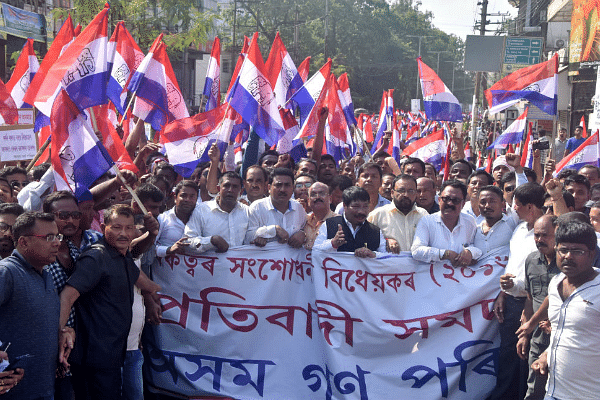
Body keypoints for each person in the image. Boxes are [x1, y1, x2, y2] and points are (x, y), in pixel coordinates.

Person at [58, 204, 161, 400]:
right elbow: (67, 296)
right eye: (116, 227)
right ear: (103, 227)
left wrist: (152, 296)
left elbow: (149, 285)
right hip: (93, 359)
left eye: (129, 228)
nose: (123, 233)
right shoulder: (96, 257)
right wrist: (58, 337)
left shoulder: (123, 256)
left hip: (114, 355)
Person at [531, 222, 600, 400]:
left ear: (592, 254)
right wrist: (548, 354)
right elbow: (568, 332)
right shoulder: (555, 283)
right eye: (563, 250)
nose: (568, 256)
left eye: (578, 251)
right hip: (554, 392)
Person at [0, 212, 64, 400]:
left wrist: (64, 332)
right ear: (23, 242)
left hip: (42, 389)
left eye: (57, 236)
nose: (57, 243)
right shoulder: (7, 273)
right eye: (48, 237)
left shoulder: (46, 274)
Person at [492, 182, 545, 400]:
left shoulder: (547, 233)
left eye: (518, 205)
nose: (514, 208)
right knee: (508, 357)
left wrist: (526, 305)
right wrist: (503, 293)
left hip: (533, 307)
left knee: (528, 360)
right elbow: (513, 264)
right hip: (511, 303)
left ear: (530, 207)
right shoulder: (519, 229)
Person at [515, 215, 558, 400]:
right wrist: (525, 334)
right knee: (534, 390)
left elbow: (554, 297)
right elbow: (530, 298)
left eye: (545, 235)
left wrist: (530, 325)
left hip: (561, 337)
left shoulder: (568, 263)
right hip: (538, 339)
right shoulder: (531, 260)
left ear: (558, 234)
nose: (539, 240)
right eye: (536, 235)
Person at [411, 180, 482, 266]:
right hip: (433, 277)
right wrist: (445, 254)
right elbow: (416, 251)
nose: (450, 203)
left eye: (455, 200)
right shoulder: (426, 221)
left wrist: (470, 252)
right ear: (439, 200)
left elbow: (475, 245)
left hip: (462, 278)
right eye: (446, 199)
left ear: (463, 204)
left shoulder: (469, 221)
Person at [185, 172, 249, 253]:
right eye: (226, 186)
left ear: (241, 191)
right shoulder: (201, 210)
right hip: (209, 265)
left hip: (241, 264)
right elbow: (187, 241)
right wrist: (211, 241)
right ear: (219, 188)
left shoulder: (247, 212)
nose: (230, 190)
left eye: (235, 187)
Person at [314, 186, 386, 257]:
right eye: (356, 206)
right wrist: (332, 243)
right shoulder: (329, 224)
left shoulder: (375, 231)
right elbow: (315, 250)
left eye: (365, 206)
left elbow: (385, 258)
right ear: (345, 206)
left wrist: (373, 254)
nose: (361, 211)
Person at [246, 168, 307, 248]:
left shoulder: (299, 208)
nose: (282, 190)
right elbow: (247, 238)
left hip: (292, 260)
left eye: (287, 185)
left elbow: (306, 230)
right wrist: (273, 230)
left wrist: (303, 234)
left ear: (293, 188)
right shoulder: (257, 207)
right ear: (269, 188)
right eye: (278, 185)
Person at [368, 174, 427, 253]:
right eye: (401, 190)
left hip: (418, 265)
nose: (406, 195)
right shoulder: (377, 215)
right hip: (388, 264)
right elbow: (366, 242)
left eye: (411, 191)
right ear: (392, 193)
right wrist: (385, 241)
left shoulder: (423, 215)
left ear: (416, 193)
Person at [155, 180, 199, 258]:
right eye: (183, 195)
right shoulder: (162, 219)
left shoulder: (202, 220)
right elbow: (151, 249)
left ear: (196, 199)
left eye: (192, 196)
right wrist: (169, 249)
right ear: (175, 198)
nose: (187, 200)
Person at [474, 185, 518, 258]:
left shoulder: (512, 224)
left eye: (492, 202)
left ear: (503, 204)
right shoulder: (474, 228)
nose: (487, 206)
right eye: (483, 202)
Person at [304, 182, 337, 250]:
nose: (318, 197)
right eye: (313, 194)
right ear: (308, 201)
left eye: (322, 193)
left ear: (330, 199)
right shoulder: (303, 220)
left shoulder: (339, 221)